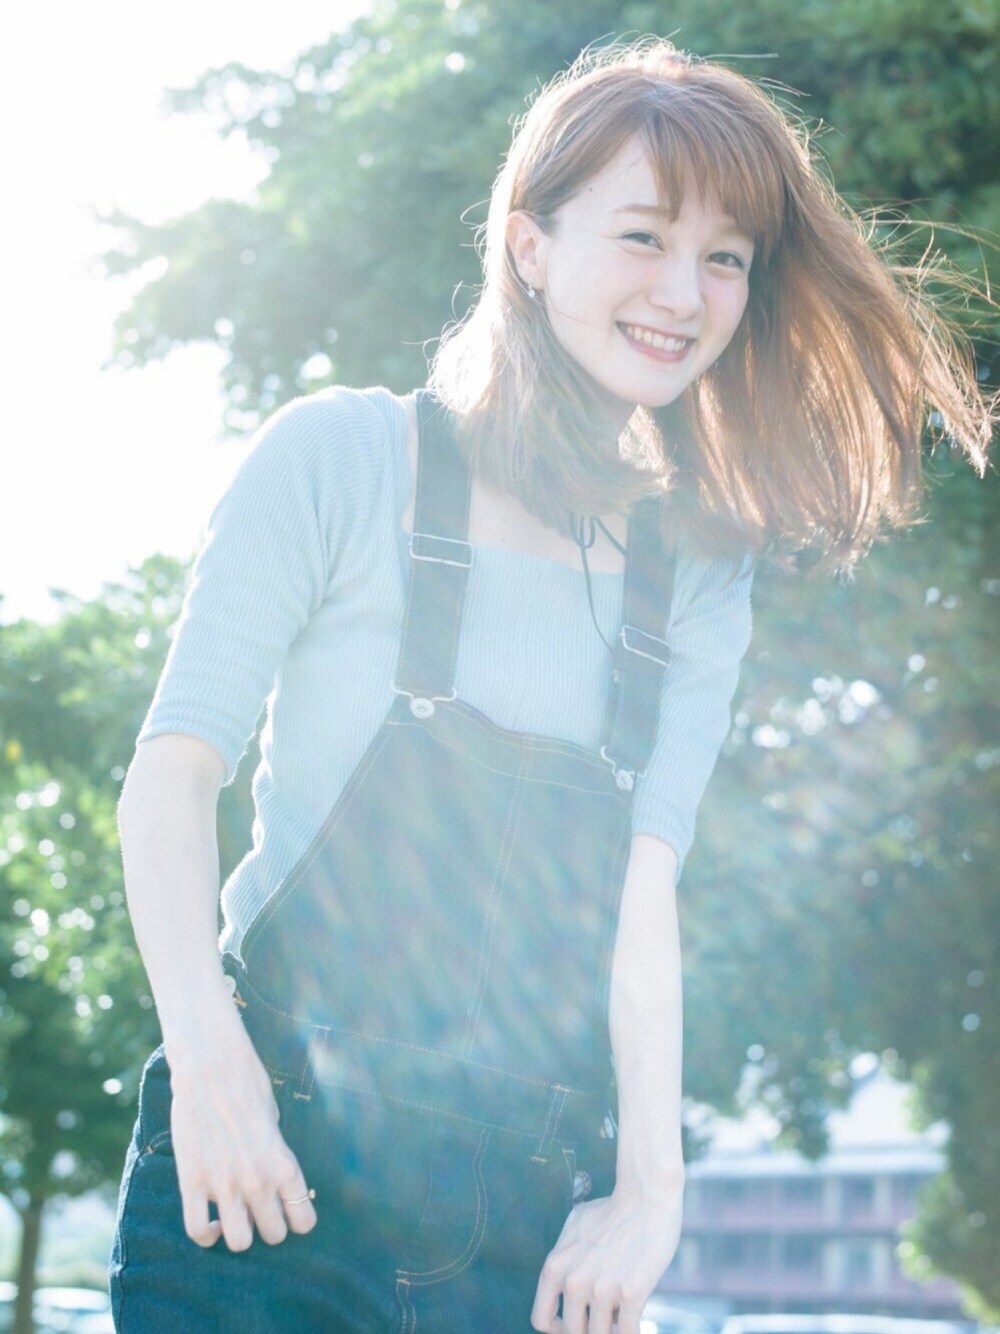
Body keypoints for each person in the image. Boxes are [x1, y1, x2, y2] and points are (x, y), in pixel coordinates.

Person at [109, 37, 992, 1334]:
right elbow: (171, 777)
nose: (684, 293)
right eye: (643, 236)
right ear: (529, 244)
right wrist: (208, 1063)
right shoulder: (344, 459)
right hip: (263, 1179)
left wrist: (650, 1194)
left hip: (521, 1219)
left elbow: (642, 900)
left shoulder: (700, 570)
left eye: (727, 257)